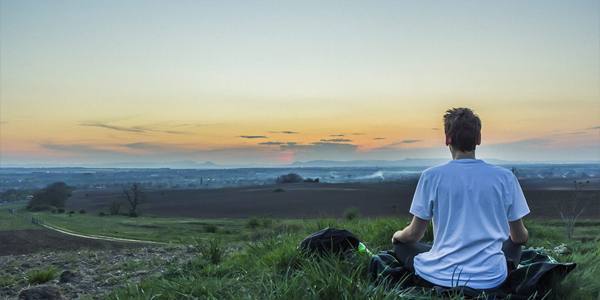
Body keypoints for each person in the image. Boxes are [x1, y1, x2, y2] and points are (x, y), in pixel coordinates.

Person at [391, 107, 530, 290]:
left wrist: (397, 236)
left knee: (401, 246)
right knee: (514, 244)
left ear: (447, 139)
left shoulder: (431, 176)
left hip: (440, 276)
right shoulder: (505, 178)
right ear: (478, 139)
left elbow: (414, 235)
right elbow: (520, 237)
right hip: (490, 278)